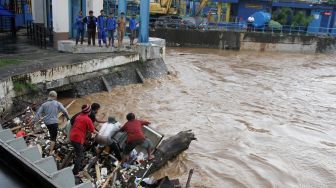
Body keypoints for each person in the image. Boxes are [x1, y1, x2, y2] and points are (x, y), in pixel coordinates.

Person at [33, 91, 70, 155]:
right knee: (53, 137)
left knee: (51, 134)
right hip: (54, 122)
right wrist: (68, 118)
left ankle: (50, 147)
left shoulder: (44, 104)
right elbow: (64, 111)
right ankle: (51, 152)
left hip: (47, 123)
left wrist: (35, 122)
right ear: (55, 97)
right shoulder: (57, 103)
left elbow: (38, 114)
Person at [70, 104, 97, 177]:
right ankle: (75, 172)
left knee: (78, 151)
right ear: (89, 111)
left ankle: (74, 163)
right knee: (80, 156)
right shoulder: (88, 119)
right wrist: (99, 133)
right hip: (77, 138)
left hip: (72, 136)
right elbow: (93, 130)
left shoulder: (79, 116)